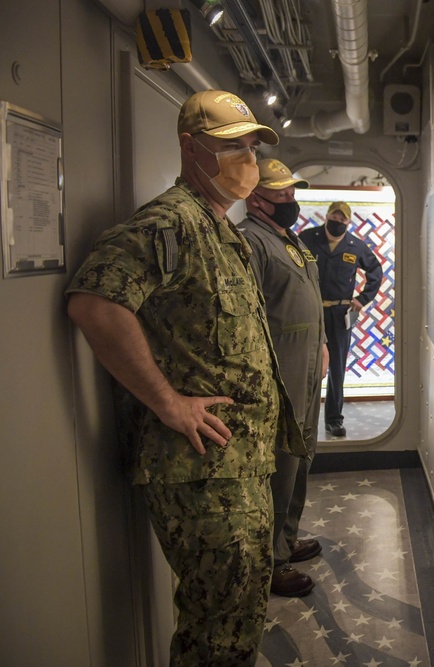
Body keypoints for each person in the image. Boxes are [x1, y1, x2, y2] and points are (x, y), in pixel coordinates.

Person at [65, 90, 306, 665]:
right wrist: (168, 402)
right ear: (189, 148)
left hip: (238, 463)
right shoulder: (170, 221)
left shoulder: (220, 229)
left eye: (251, 147)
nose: (246, 159)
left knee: (238, 615)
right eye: (230, 146)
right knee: (218, 627)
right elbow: (94, 303)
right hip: (202, 472)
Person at [238, 159, 327, 597]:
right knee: (280, 464)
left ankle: (286, 540)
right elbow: (247, 316)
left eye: (293, 193)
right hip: (280, 369)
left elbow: (308, 297)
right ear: (256, 200)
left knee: (303, 455)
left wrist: (323, 345)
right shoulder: (250, 242)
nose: (291, 201)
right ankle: (270, 562)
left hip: (309, 364)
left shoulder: (290, 240)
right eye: (282, 195)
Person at [300, 202, 383, 438]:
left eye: (342, 219)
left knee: (336, 367)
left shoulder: (355, 246)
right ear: (326, 216)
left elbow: (375, 272)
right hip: (311, 311)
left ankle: (334, 420)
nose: (337, 222)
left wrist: (363, 299)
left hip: (339, 314)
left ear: (348, 222)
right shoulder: (307, 238)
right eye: (334, 217)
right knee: (306, 365)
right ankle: (302, 418)